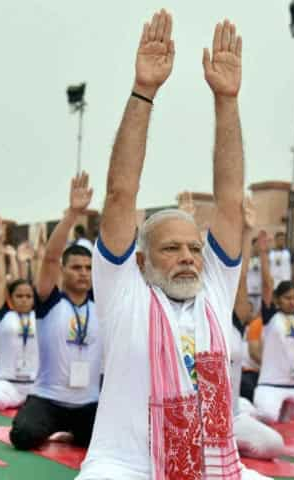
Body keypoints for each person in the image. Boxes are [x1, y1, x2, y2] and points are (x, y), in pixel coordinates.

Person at [76, 11, 262, 479]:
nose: (186, 258)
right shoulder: (124, 291)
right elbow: (120, 194)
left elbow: (229, 198)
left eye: (194, 249)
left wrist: (227, 100)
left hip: (211, 466)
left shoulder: (215, 289)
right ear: (140, 260)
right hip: (125, 467)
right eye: (171, 249)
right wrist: (145, 91)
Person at [9, 173, 102, 450]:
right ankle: (55, 428)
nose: (83, 273)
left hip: (89, 402)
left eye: (88, 268)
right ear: (63, 271)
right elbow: (50, 257)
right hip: (48, 399)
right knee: (23, 436)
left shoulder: (101, 305)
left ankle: (71, 433)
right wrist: (73, 214)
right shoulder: (50, 301)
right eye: (76, 267)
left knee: (108, 443)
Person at [230, 199, 285, 460]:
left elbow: (239, 276)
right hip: (189, 415)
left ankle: (228, 444)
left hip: (229, 416)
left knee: (274, 444)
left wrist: (247, 233)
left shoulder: (234, 318)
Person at [0, 215, 39, 412]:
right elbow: (1, 277)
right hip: (6, 384)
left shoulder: (40, 316)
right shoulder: (4, 315)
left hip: (35, 385)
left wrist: (30, 260)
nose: (24, 299)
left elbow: (44, 280)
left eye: (28, 296)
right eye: (19, 296)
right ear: (10, 298)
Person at [253, 230, 294, 423]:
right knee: (267, 416)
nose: (292, 302)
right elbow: (267, 285)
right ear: (278, 300)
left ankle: (291, 410)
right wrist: (263, 254)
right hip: (272, 383)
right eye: (287, 298)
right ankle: (247, 409)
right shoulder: (271, 318)